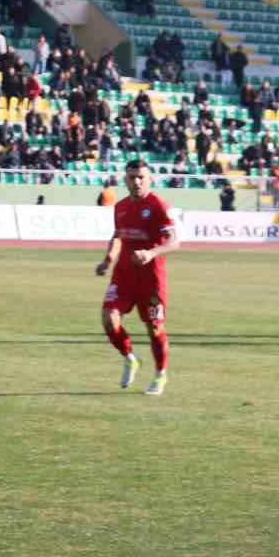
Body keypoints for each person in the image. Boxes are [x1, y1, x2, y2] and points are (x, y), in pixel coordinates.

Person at [95, 160, 179, 395]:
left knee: (154, 328)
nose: (137, 181)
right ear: (125, 180)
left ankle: (160, 375)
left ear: (149, 178)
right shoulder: (120, 207)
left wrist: (151, 253)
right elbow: (118, 236)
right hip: (123, 276)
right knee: (108, 319)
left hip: (151, 280)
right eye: (132, 177)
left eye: (141, 176)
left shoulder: (158, 206)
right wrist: (108, 260)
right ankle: (130, 358)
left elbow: (174, 242)